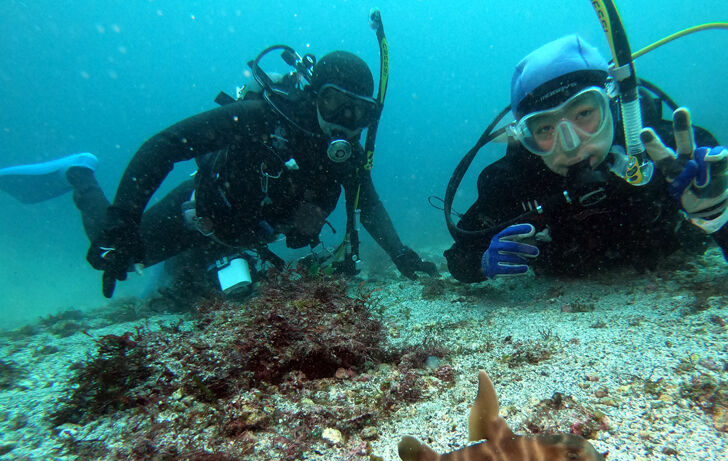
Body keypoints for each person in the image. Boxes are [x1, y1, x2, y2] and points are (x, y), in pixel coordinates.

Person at [0, 49, 436, 298]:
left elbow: (368, 206)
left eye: (360, 112)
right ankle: (79, 174)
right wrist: (124, 220)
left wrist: (400, 254)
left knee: (182, 295)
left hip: (241, 240)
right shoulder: (259, 117)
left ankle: (186, 269)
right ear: (313, 95)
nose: (345, 120)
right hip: (196, 214)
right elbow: (165, 145)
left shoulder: (347, 156)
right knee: (116, 251)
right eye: (335, 103)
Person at [444, 35, 728, 283]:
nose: (571, 144)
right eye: (545, 128)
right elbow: (458, 258)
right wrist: (481, 262)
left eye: (583, 113)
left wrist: (721, 215)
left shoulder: (672, 154)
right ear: (525, 135)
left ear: (613, 104)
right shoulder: (512, 179)